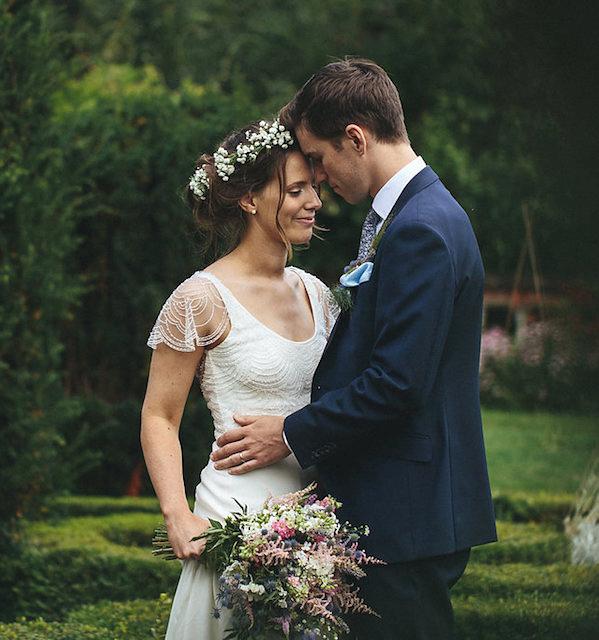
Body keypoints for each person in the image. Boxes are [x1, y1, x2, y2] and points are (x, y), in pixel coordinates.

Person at [210, 58, 497, 639]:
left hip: (405, 512)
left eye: (316, 158)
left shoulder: (419, 227)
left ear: (356, 139)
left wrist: (289, 432)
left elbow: (397, 382)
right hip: (402, 508)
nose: (316, 179)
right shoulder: (415, 214)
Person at [140, 119, 338, 639]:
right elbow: (159, 415)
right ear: (249, 199)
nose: (313, 201)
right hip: (234, 527)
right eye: (295, 190)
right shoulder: (200, 299)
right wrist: (177, 515)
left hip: (319, 535)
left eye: (313, 187)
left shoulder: (320, 296)